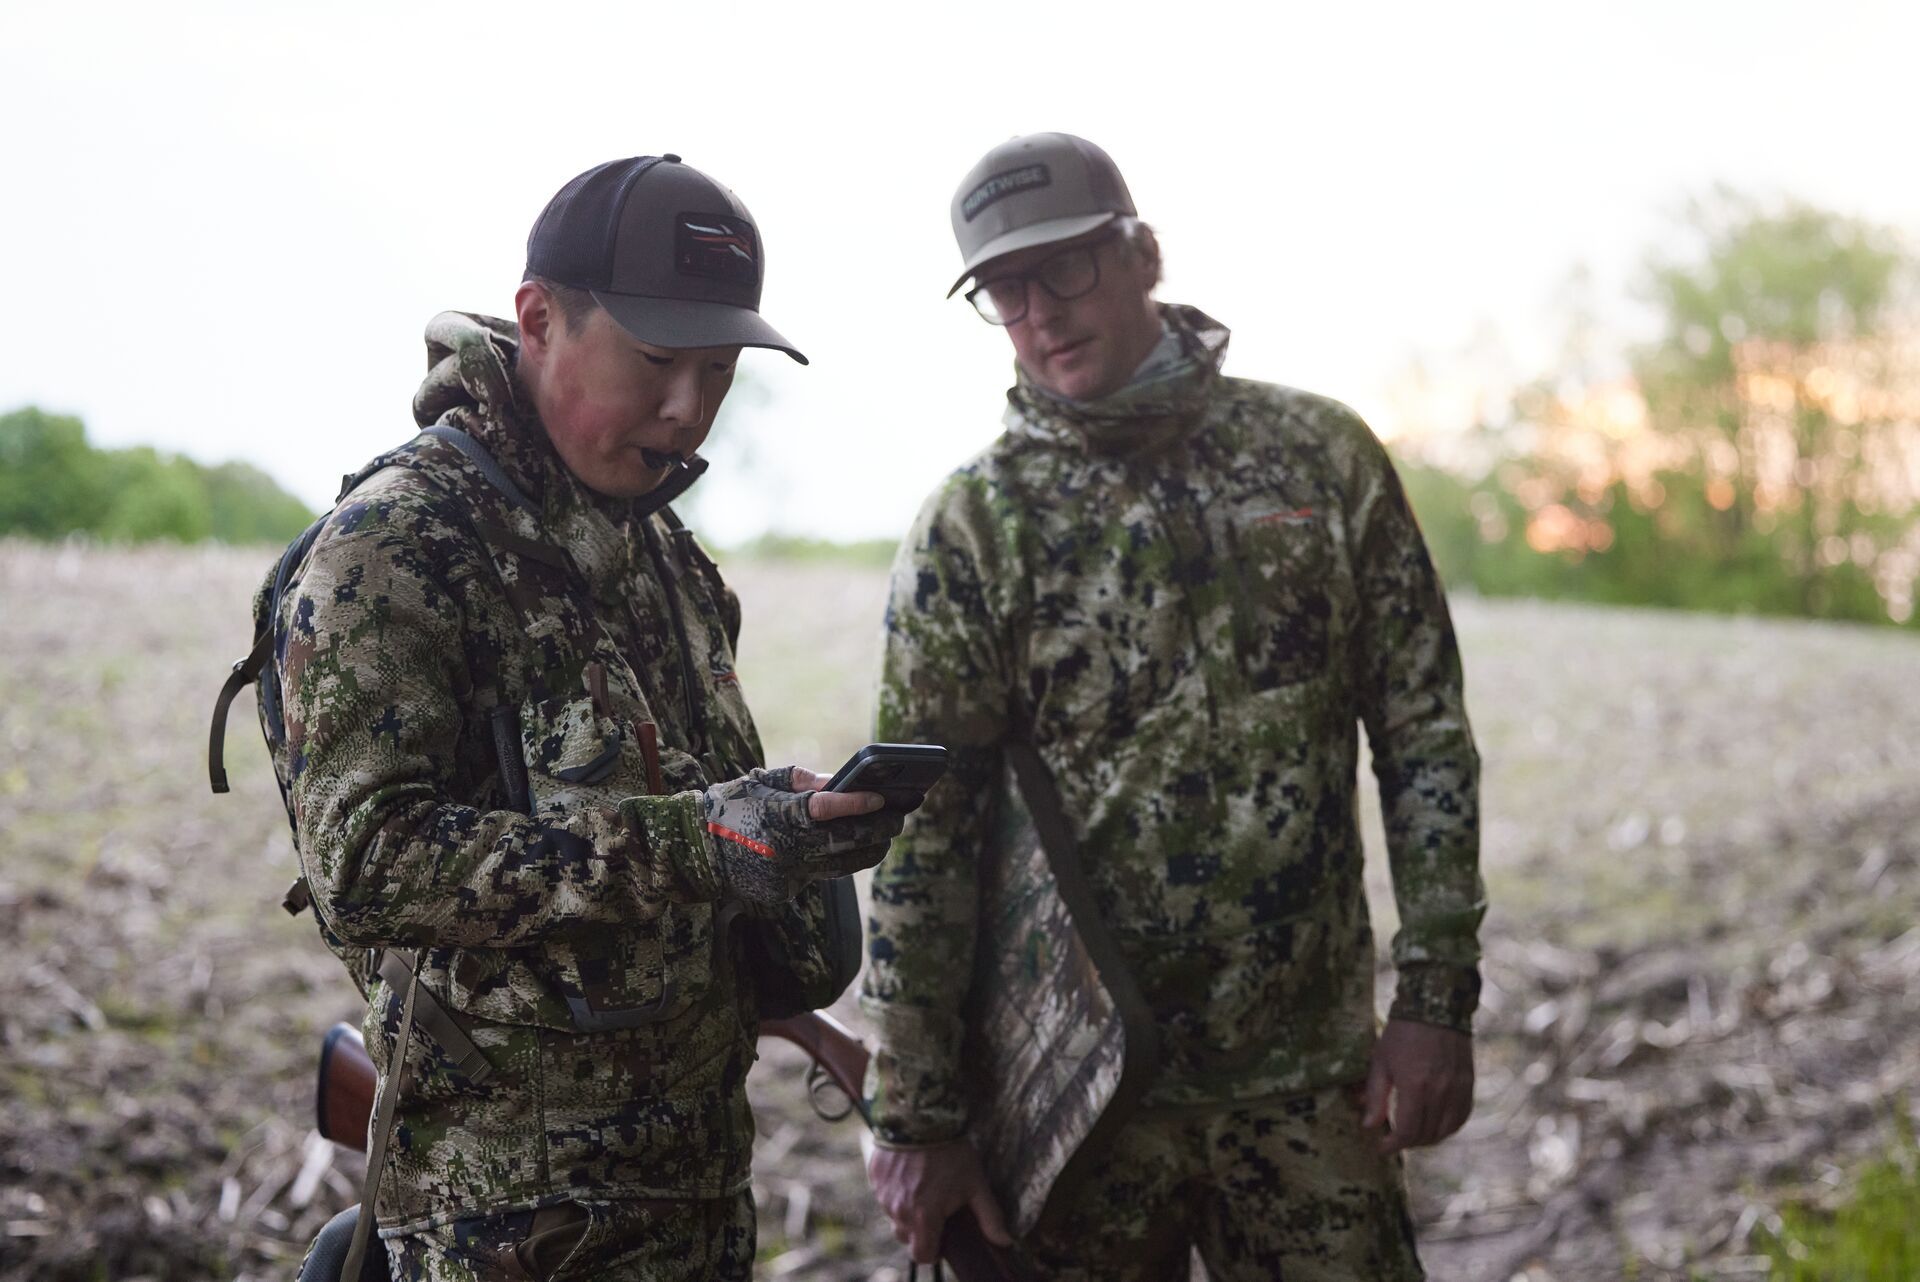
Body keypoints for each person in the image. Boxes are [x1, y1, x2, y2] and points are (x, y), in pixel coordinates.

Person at [860, 132, 1485, 1280]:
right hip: (1079, 1097)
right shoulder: (974, 526)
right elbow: (922, 837)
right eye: (1004, 290)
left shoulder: (1318, 458)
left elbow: (1424, 737)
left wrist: (1437, 997)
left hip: (1307, 1079)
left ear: (1141, 252)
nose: (1040, 311)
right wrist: (916, 1115)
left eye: (1067, 270)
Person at [277, 155, 902, 1280]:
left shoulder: (664, 559)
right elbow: (365, 863)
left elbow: (671, 874)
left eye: (718, 372)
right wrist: (702, 841)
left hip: (694, 1204)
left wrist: (790, 851)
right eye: (658, 362)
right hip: (508, 1233)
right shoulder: (399, 546)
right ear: (539, 319)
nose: (688, 409)